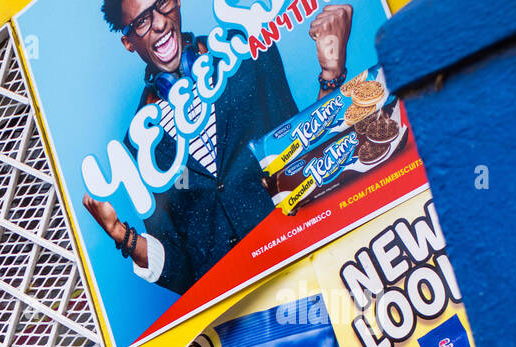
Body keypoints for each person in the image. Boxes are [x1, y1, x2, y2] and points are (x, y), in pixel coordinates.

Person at [83, 0, 353, 294]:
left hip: (307, 259)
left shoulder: (247, 50)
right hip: (239, 309)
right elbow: (182, 268)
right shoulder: (140, 142)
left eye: (162, 4)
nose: (159, 23)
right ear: (128, 41)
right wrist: (120, 234)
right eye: (142, 21)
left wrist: (331, 74)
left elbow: (305, 160)